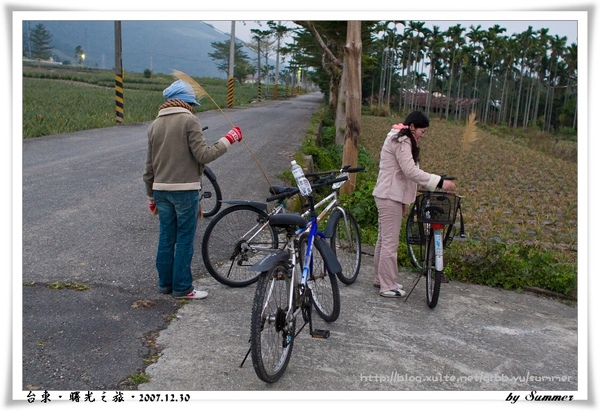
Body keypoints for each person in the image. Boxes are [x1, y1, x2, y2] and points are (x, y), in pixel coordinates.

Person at [143, 79, 243, 299]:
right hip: (185, 191)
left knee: (166, 238)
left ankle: (165, 285)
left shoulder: (154, 126)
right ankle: (182, 288)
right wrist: (229, 139)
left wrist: (151, 196)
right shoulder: (190, 121)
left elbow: (149, 167)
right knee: (185, 238)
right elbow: (204, 155)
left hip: (160, 191)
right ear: (187, 102)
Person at [372, 111, 456, 298]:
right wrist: (440, 182)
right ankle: (387, 285)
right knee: (389, 243)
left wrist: (404, 200)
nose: (422, 135)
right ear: (412, 127)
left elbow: (406, 172)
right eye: (422, 131)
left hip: (389, 195)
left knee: (383, 239)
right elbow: (410, 171)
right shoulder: (402, 141)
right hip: (389, 196)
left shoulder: (401, 138)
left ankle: (381, 279)